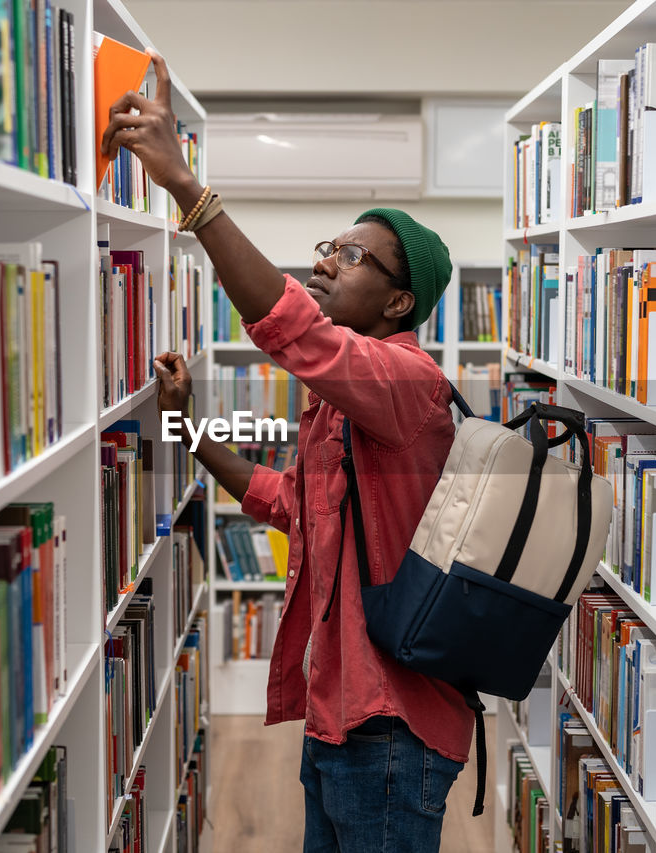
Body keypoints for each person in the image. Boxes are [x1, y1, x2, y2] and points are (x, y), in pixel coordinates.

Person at [102, 51, 473, 852]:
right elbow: (283, 499)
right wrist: (186, 424)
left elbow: (293, 331)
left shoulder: (408, 384)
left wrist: (188, 190)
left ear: (399, 301)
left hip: (392, 730)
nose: (322, 263)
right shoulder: (344, 403)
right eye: (326, 246)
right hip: (338, 716)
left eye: (348, 256)